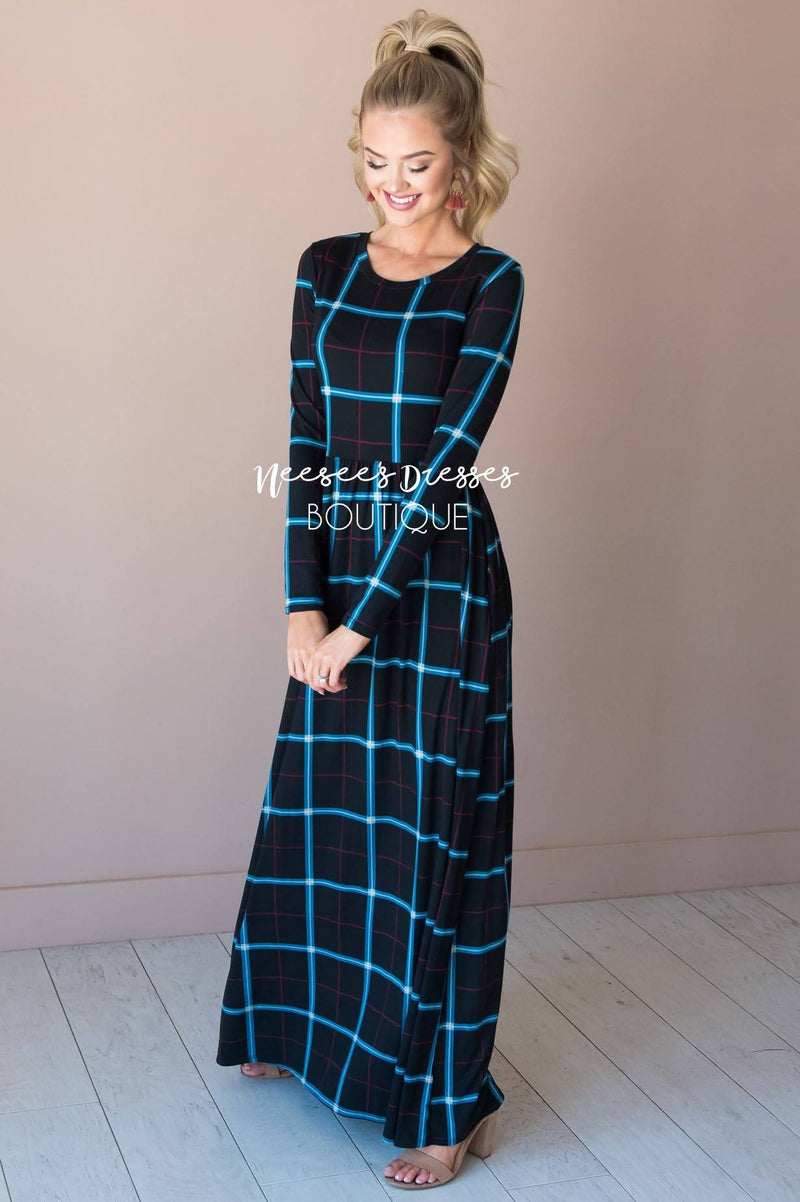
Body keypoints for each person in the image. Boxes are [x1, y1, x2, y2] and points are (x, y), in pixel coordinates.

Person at [216, 7, 525, 1190]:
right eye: (374, 161)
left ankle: (447, 1109)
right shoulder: (323, 267)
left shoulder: (490, 282)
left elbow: (446, 461)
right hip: (339, 573)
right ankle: (297, 1030)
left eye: (418, 164)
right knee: (324, 816)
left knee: (435, 835)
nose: (393, 185)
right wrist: (303, 607)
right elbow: (307, 442)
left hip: (437, 589)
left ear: (461, 160)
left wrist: (361, 619)